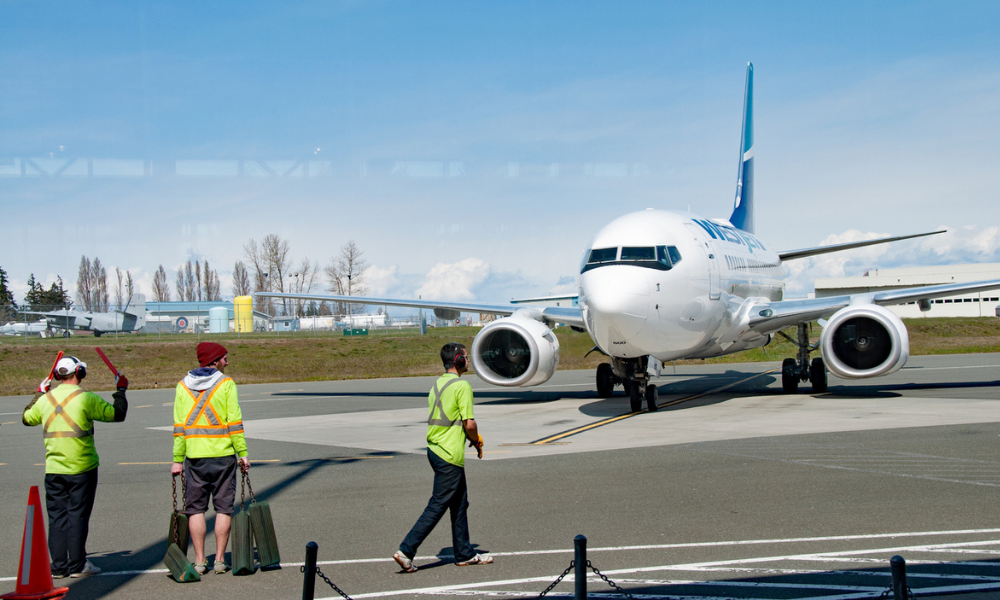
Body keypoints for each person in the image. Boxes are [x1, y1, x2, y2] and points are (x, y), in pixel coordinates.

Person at [22, 355, 128, 578]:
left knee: (57, 518)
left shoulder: (45, 400)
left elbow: (26, 418)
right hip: (82, 467)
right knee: (77, 516)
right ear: (79, 372)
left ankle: (59, 566)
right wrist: (121, 391)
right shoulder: (86, 398)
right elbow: (117, 414)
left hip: (54, 469)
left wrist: (39, 393)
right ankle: (78, 564)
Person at [393, 342, 492, 572]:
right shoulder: (462, 386)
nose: (468, 361)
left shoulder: (437, 385)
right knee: (437, 505)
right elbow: (469, 423)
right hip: (449, 455)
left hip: (435, 450)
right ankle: (406, 550)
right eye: (466, 358)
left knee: (459, 503)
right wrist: (476, 439)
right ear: (458, 360)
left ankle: (464, 553)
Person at [171, 342, 249, 575]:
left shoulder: (182, 386)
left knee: (195, 510)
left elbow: (179, 426)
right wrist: (243, 453)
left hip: (194, 457)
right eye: (225, 358)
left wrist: (177, 458)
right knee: (224, 509)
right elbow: (234, 422)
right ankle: (219, 561)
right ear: (214, 361)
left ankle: (199, 560)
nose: (227, 362)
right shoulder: (226, 384)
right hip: (223, 455)